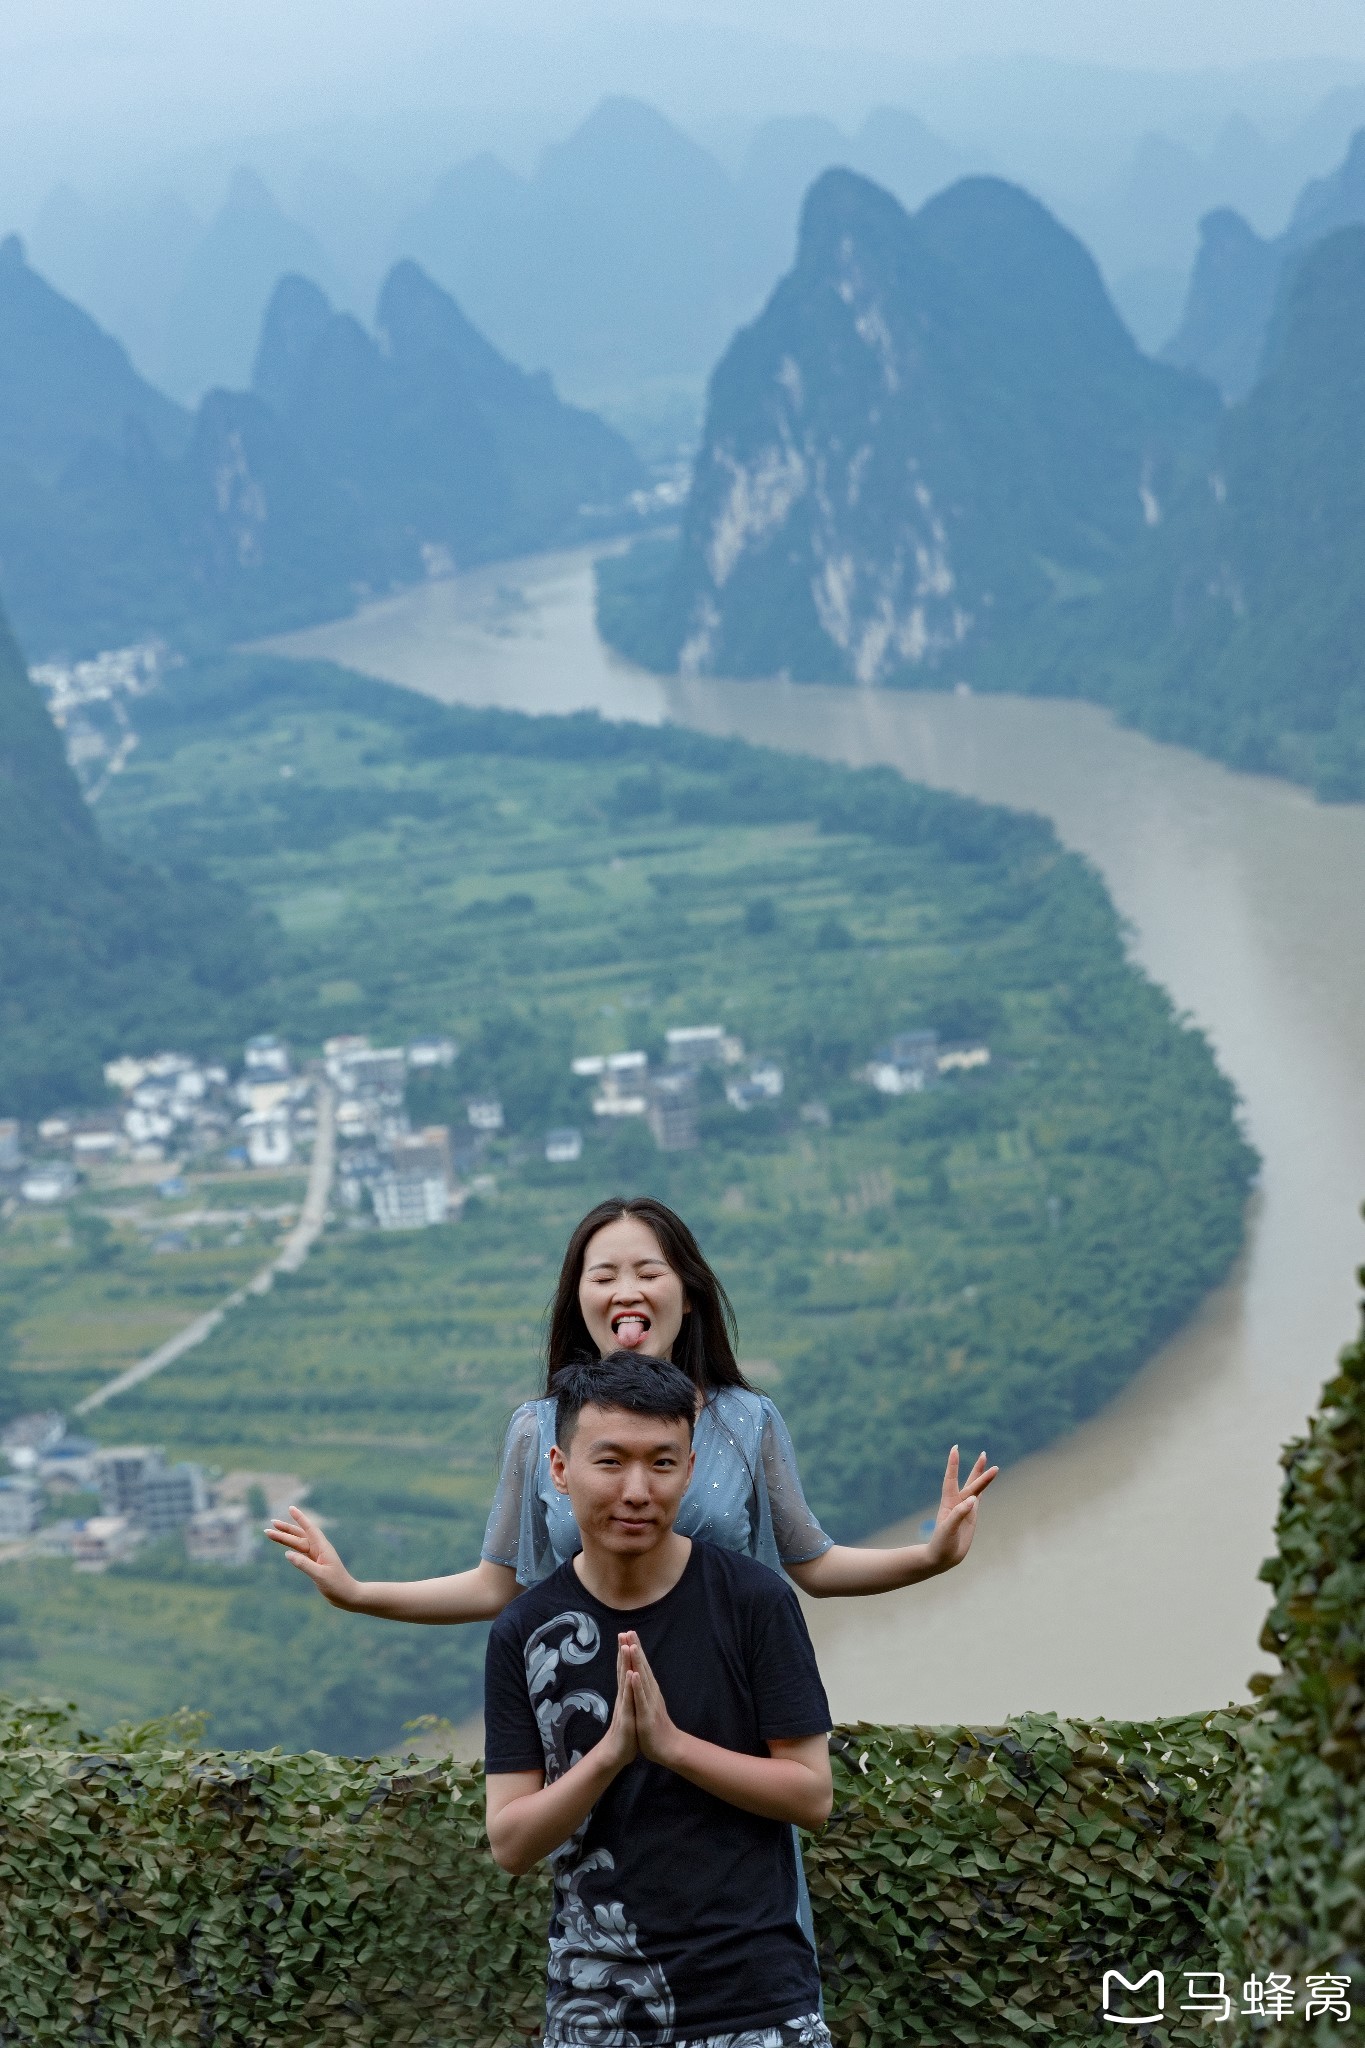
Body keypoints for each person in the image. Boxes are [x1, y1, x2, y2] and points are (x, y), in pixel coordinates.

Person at [266, 1196, 998, 1622]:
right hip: (585, 1698)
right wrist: (358, 1593)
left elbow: (813, 1564)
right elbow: (497, 1583)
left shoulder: (747, 1421)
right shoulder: (539, 1429)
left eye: (648, 1271)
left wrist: (928, 1556)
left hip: (726, 1693)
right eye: (603, 1274)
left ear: (688, 1292)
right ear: (578, 1299)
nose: (627, 1290)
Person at [483, 1350, 835, 2048]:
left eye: (662, 1463)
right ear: (558, 1470)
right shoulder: (523, 1633)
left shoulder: (754, 1603)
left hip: (757, 2005)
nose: (637, 1490)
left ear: (690, 1469)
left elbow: (810, 1796)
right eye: (610, 1462)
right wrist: (610, 1756)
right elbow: (511, 1842)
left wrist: (671, 1747)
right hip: (595, 2010)